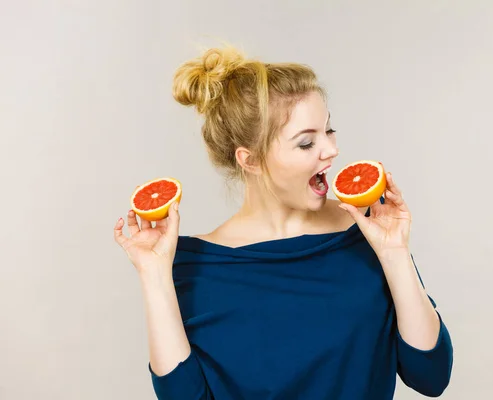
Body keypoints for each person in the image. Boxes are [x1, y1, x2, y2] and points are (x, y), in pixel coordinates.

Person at [114, 45, 453, 400]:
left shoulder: (368, 233)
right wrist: (153, 274)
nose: (331, 150)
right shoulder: (195, 266)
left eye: (329, 130)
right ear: (251, 160)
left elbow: (430, 376)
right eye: (307, 143)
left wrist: (395, 252)